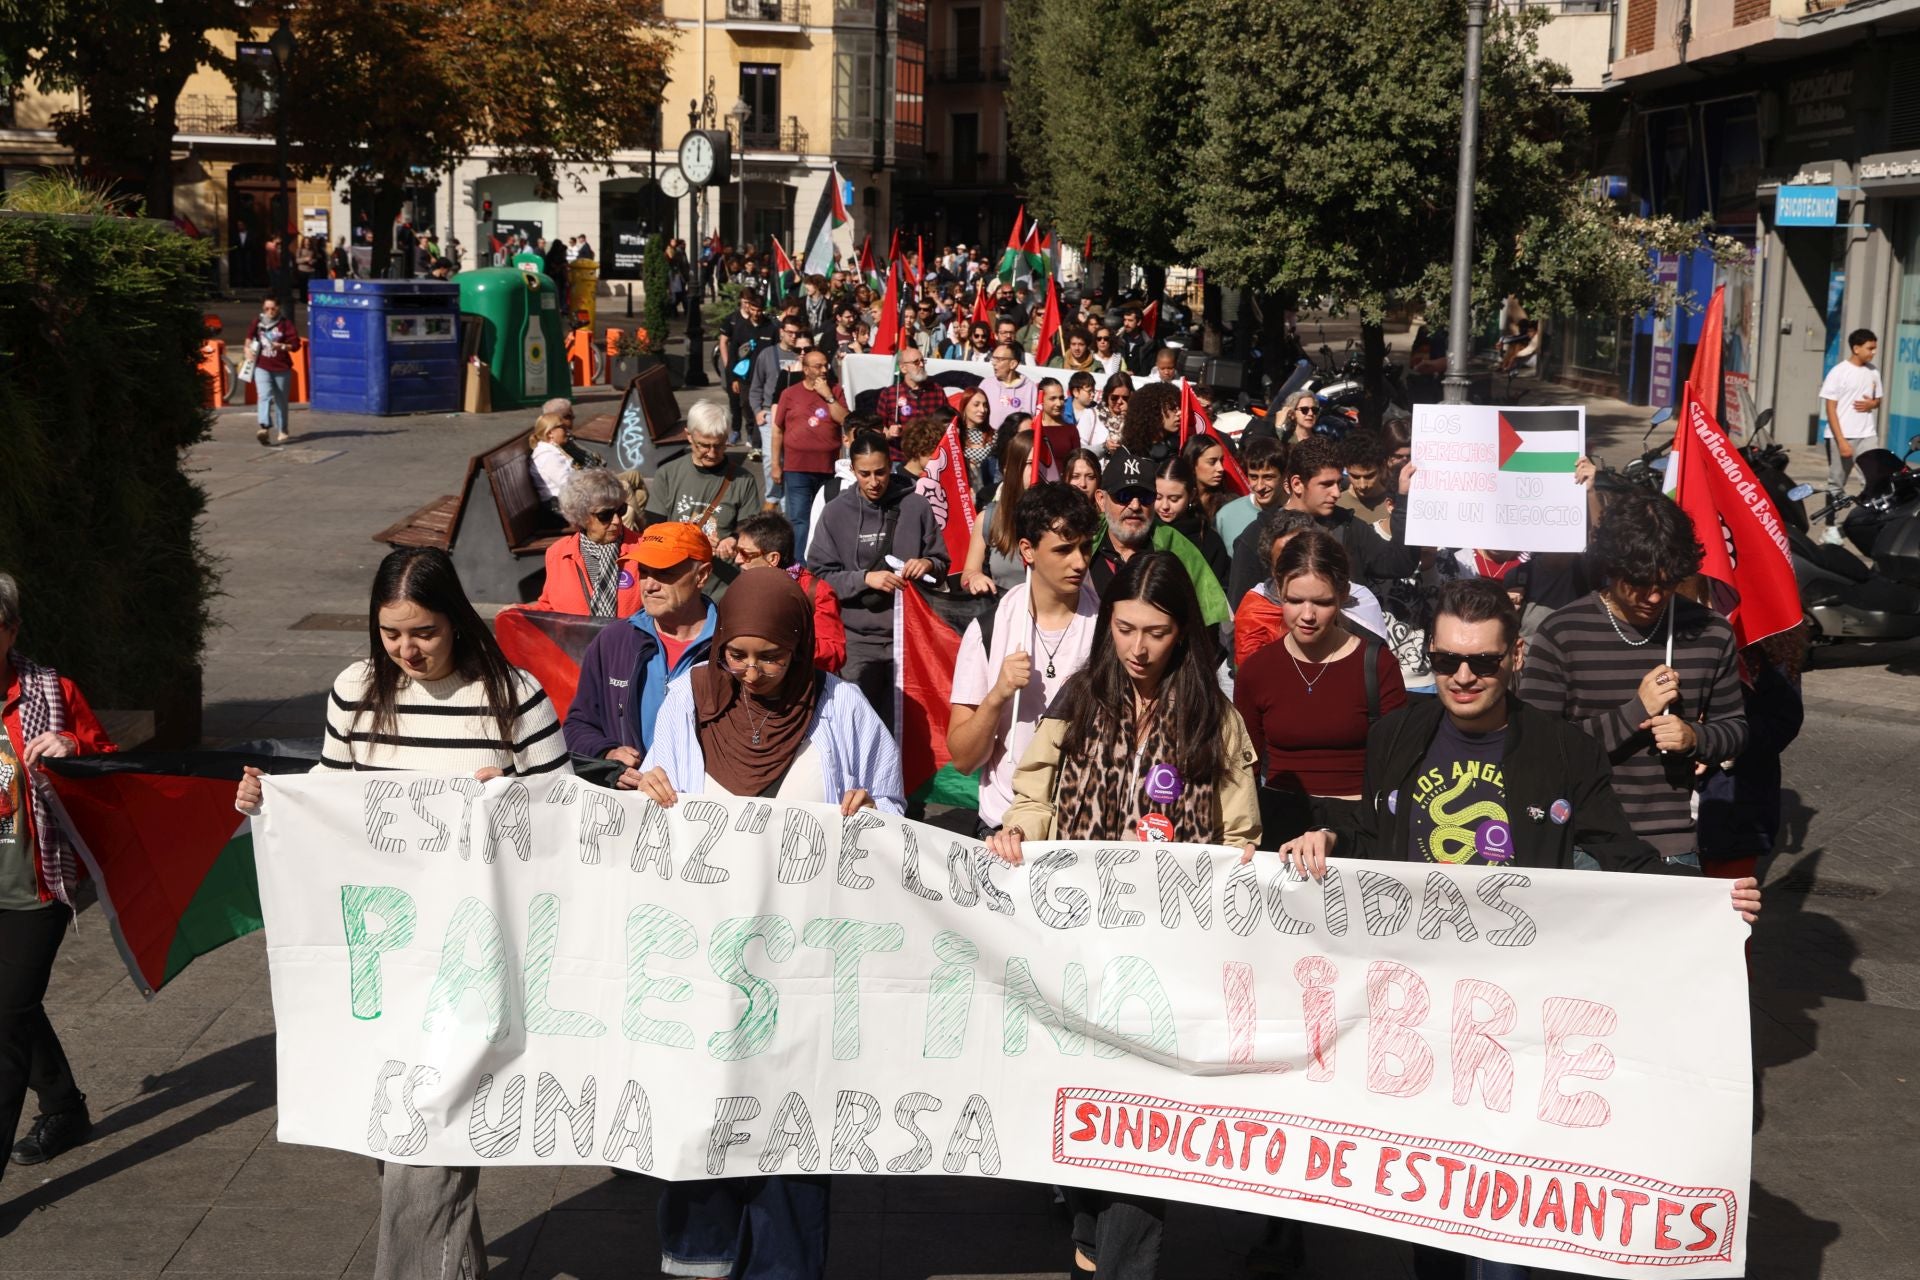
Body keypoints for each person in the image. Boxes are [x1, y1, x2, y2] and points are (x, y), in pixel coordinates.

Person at [233, 548, 568, 1280]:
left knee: (423, 1164)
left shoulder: (514, 698)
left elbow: (567, 821)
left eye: (423, 632)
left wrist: (513, 801)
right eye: (390, 634)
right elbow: (334, 798)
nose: (407, 650)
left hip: (478, 967)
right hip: (382, 967)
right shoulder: (356, 690)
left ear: (457, 621)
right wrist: (274, 804)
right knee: (399, 1153)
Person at [985, 549, 1260, 1280]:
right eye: (1126, 628)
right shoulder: (1077, 699)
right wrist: (1019, 833)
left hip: (1172, 961)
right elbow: (1034, 791)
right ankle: (1087, 1227)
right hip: (1079, 948)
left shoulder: (1215, 718)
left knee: (1140, 1129)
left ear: (1185, 636)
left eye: (1158, 632)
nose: (1138, 648)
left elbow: (1240, 835)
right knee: (1085, 1118)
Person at [626, 567, 902, 1280]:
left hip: (803, 971)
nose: (751, 671)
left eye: (770, 656)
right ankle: (701, 1259)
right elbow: (660, 806)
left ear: (799, 646)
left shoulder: (840, 711)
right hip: (707, 969)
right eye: (737, 654)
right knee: (704, 1120)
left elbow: (894, 814)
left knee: (792, 1132)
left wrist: (870, 817)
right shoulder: (688, 703)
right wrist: (652, 790)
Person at [1261, 574, 1762, 900]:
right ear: (1430, 651)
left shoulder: (1567, 749)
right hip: (1412, 953)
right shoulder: (1393, 735)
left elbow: (1621, 856)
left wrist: (1708, 898)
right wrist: (1331, 837)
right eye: (1445, 660)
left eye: (1483, 661)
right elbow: (1374, 835)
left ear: (1516, 656)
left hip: (1517, 966)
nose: (1462, 676)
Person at [1518, 490, 1748, 862]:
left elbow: (1735, 729)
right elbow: (1535, 747)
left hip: (1673, 845)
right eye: (1640, 582)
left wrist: (1695, 737)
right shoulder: (1562, 632)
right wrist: (1635, 711)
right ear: (1611, 566)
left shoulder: (1711, 632)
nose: (1654, 597)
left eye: (1667, 583)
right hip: (1583, 845)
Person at [0, 572, 114, 1175]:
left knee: (6, 1024)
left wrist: (74, 749)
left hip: (34, 887)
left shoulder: (53, 692)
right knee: (12, 1006)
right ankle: (65, 1107)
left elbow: (114, 769)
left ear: (11, 630)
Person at [1234, 529, 1405, 843]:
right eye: (1295, 601)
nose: (1307, 615)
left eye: (1322, 602)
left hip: (1356, 830)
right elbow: (1244, 765)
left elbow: (1397, 764)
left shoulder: (1378, 665)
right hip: (1279, 824)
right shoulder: (1257, 670)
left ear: (1342, 594)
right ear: (1279, 592)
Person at [949, 482, 1100, 835]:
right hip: (1003, 827)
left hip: (1083, 825)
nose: (1079, 562)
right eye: (1064, 550)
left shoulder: (1110, 627)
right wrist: (997, 695)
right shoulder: (988, 630)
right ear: (1028, 551)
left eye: (1085, 547)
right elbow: (963, 758)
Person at [807, 429, 948, 725]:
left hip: (910, 637)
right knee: (858, 726)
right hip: (858, 640)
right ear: (852, 470)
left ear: (892, 465)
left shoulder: (916, 505)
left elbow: (942, 562)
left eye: (881, 472)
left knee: (908, 730)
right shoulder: (836, 512)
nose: (874, 482)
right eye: (865, 474)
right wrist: (864, 579)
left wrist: (927, 563)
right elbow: (818, 577)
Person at [563, 523, 720, 775]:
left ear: (702, 575)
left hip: (701, 805)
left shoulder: (732, 645)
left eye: (664, 573)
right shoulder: (614, 641)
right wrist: (608, 754)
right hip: (632, 803)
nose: (649, 586)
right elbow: (578, 724)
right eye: (644, 572)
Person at [1226, 436, 1421, 615]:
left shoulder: (1348, 526)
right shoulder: (1256, 536)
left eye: (1338, 483)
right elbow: (1242, 613)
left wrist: (1404, 501)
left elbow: (1399, 563)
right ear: (1297, 484)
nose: (1337, 493)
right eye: (1326, 484)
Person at [1088, 452, 1230, 626]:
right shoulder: (1082, 545)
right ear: (1101, 500)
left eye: (1145, 497)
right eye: (1124, 495)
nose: (1135, 506)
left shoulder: (1180, 550)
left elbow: (1211, 620)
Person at [733, 511, 847, 673]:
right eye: (737, 551)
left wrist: (786, 639)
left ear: (773, 559)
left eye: (745, 554)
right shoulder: (742, 586)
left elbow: (834, 655)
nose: (737, 560)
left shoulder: (815, 592)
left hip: (801, 691)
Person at [651, 401, 763, 564]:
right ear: (689, 436)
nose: (712, 453)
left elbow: (749, 530)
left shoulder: (743, 480)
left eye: (719, 445)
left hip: (721, 582)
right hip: (676, 572)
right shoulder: (667, 474)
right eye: (704, 445)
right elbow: (653, 530)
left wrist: (732, 540)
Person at [528, 469, 644, 616]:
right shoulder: (557, 553)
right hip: (577, 638)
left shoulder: (643, 550)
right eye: (605, 515)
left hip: (630, 638)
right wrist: (517, 612)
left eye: (621, 510)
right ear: (580, 516)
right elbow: (550, 607)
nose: (616, 521)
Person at [771, 347, 850, 556]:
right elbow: (778, 430)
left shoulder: (836, 391)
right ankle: (798, 570)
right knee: (799, 520)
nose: (824, 370)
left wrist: (828, 396)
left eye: (826, 365)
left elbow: (845, 420)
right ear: (805, 370)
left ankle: (822, 565)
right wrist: (776, 465)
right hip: (797, 468)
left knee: (826, 518)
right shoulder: (789, 394)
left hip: (827, 468)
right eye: (818, 366)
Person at [1819, 327, 1884, 542]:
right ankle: (1829, 528)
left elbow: (1878, 400)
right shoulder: (1839, 372)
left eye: (1874, 348)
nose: (1873, 352)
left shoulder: (1873, 371)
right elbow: (1830, 409)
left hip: (1867, 435)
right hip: (1842, 437)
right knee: (1837, 483)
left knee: (1874, 481)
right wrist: (1841, 442)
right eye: (1869, 348)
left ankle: (1868, 522)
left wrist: (1872, 403)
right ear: (1856, 348)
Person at [962, 430, 1040, 595]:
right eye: (1030, 463)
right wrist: (975, 578)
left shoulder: (1062, 518)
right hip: (1004, 612)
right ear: (1013, 468)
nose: (1036, 471)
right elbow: (967, 574)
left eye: (1042, 463)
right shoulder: (988, 518)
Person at [1153, 457, 1230, 588]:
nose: (1164, 506)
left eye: (1174, 499)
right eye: (1158, 497)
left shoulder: (1209, 541)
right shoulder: (1144, 531)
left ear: (1192, 495)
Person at [720, 289, 777, 442]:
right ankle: (751, 433)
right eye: (753, 309)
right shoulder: (740, 328)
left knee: (764, 406)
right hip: (745, 377)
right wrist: (733, 379)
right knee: (746, 405)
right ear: (748, 308)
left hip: (765, 377)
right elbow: (733, 355)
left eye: (759, 310)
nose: (756, 313)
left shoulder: (771, 328)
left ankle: (760, 437)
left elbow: (776, 352)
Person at [1213, 435, 1283, 553]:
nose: (1260, 486)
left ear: (1284, 476)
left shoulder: (1299, 513)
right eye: (1253, 477)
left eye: (1268, 477)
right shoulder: (1225, 516)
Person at [247, 296, 301, 447]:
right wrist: (247, 350)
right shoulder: (257, 322)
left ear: (279, 308)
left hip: (281, 367)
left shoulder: (285, 324)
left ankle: (282, 428)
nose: (270, 311)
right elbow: (249, 338)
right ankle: (264, 427)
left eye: (273, 308)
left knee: (281, 400)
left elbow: (296, 345)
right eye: (266, 309)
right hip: (262, 365)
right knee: (264, 395)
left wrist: (282, 346)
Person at [875, 347, 951, 431]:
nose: (922, 365)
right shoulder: (889, 394)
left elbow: (948, 421)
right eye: (916, 362)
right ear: (903, 368)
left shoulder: (937, 391)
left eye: (923, 361)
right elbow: (879, 428)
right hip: (900, 443)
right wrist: (889, 434)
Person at [1335, 426, 1391, 532]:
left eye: (1369, 476)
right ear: (1345, 469)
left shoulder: (1396, 506)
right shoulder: (1335, 504)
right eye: (1355, 476)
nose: (1362, 485)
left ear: (1383, 467)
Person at [1115, 381, 1182, 466]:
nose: (1180, 413)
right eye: (1172, 408)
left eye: (1179, 407)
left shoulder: (1179, 447)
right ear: (1154, 411)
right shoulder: (1127, 454)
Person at [527, 410, 578, 514]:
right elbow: (566, 484)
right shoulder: (547, 456)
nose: (567, 431)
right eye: (563, 427)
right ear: (550, 433)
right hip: (558, 508)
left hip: (565, 502)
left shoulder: (552, 450)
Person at [981, 342, 1037, 429]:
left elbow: (1034, 420)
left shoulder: (1030, 388)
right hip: (990, 440)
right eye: (993, 358)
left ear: (1013, 364)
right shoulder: (986, 385)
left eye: (999, 359)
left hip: (1018, 440)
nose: (993, 363)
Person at [1179, 431, 1231, 521]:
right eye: (1212, 462)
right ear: (1192, 464)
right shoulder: (1177, 501)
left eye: (1221, 460)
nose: (1221, 468)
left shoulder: (1229, 502)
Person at [1034, 377, 1078, 471]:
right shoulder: (1032, 428)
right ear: (1040, 399)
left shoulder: (1071, 429)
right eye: (1052, 398)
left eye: (1061, 398)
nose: (1058, 403)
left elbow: (1076, 462)